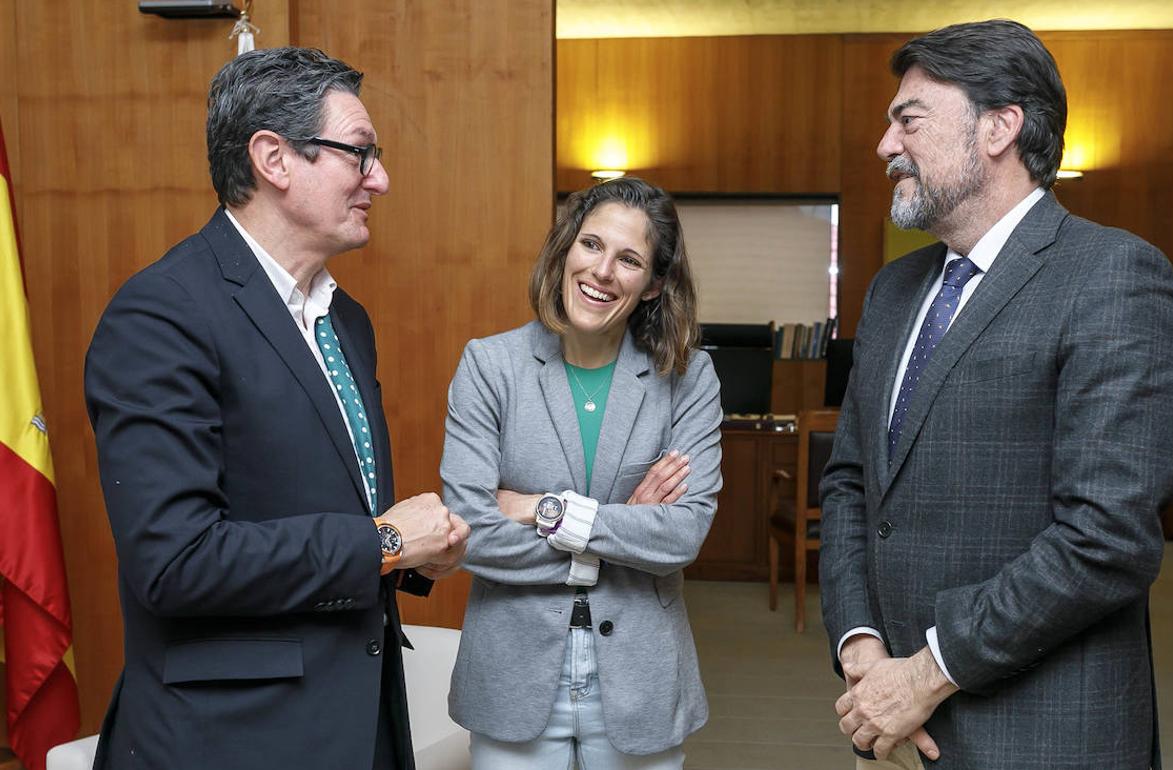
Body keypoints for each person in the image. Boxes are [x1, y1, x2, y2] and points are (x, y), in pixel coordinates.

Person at [820, 19, 1173, 770]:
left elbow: (1105, 540)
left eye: (909, 120)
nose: (885, 146)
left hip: (1045, 735)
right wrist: (862, 649)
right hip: (896, 725)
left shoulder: (1114, 277)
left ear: (999, 127)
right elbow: (851, 483)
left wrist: (926, 673)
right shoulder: (894, 291)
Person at [83, 47, 469, 770]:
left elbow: (313, 504)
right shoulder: (161, 315)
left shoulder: (345, 319)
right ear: (273, 158)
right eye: (360, 153)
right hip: (229, 739)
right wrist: (384, 544)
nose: (379, 179)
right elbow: (176, 561)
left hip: (357, 725)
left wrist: (419, 551)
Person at [439, 176, 722, 768]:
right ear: (566, 249)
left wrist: (546, 510)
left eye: (629, 259)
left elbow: (683, 534)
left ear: (653, 285)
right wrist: (620, 531)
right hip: (513, 671)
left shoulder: (689, 379)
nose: (602, 272)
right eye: (591, 245)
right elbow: (470, 532)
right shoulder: (490, 367)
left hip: (640, 677)